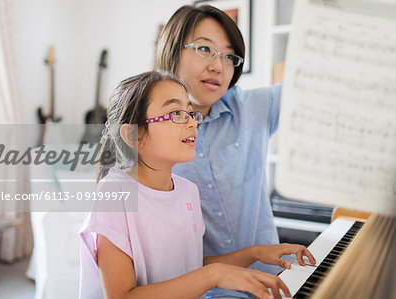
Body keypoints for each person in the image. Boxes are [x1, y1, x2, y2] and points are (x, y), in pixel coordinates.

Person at [79, 71, 315, 299]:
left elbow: (191, 269)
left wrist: (256, 253)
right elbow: (122, 296)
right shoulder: (114, 194)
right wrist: (214, 275)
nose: (192, 123)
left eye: (190, 113)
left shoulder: (187, 192)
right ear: (134, 135)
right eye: (176, 113)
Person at [156, 5, 289, 298]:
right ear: (173, 49)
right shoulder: (146, 132)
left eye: (230, 56)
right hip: (199, 291)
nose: (219, 66)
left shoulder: (254, 108)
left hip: (274, 281)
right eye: (205, 49)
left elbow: (313, 88)